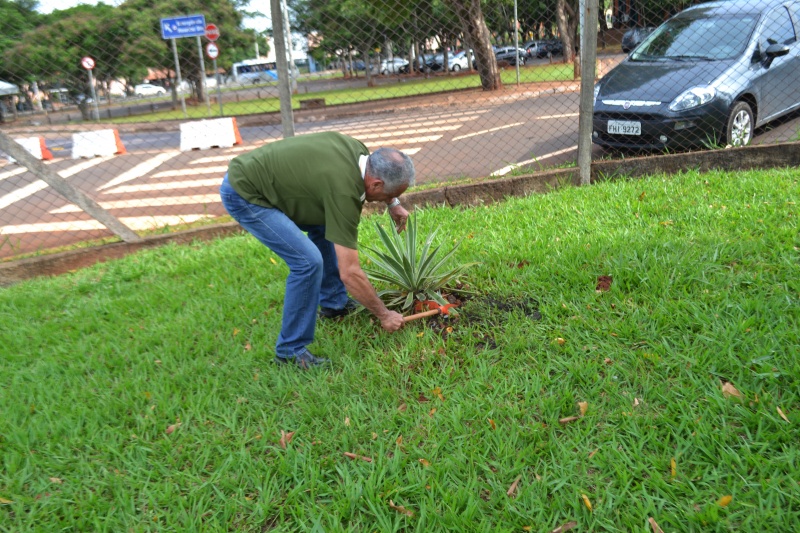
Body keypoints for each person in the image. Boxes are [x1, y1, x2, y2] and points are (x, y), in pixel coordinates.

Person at [219, 131, 416, 369]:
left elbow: (379, 181)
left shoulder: (359, 152)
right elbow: (350, 272)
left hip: (268, 177)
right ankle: (290, 351)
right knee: (307, 262)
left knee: (325, 227)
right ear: (376, 184)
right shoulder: (344, 192)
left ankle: (334, 304)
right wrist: (384, 314)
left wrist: (392, 203)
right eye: (391, 194)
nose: (392, 198)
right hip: (245, 193)